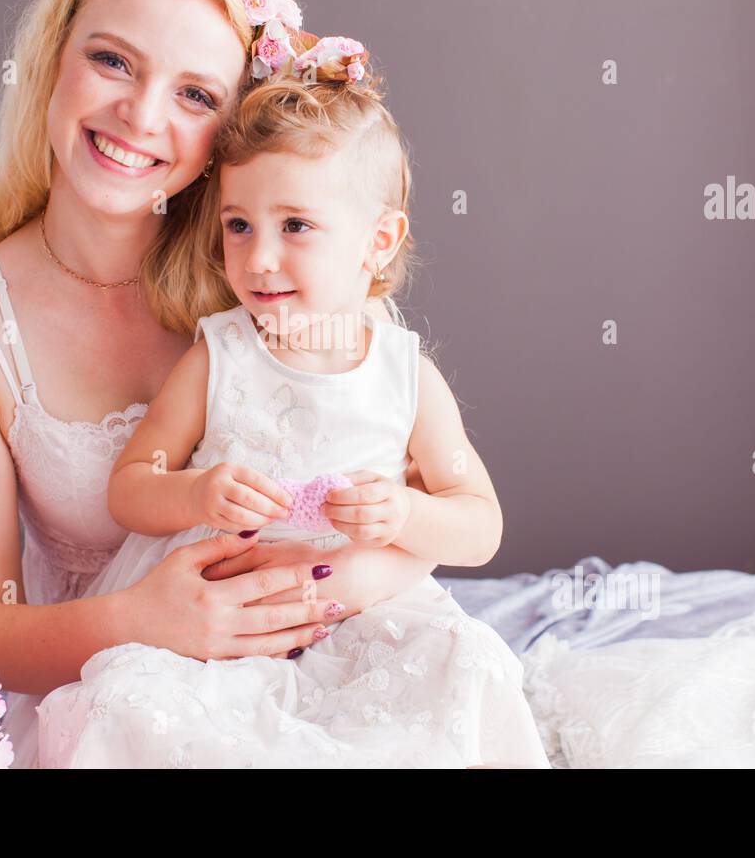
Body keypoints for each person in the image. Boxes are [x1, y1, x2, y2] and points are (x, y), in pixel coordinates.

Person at [0, 0, 441, 769]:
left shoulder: (265, 269)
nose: (141, 115)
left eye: (195, 95)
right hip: (124, 701)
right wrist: (142, 620)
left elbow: (416, 497)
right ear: (53, 59)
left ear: (230, 132)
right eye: (112, 60)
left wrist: (347, 588)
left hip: (320, 660)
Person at [35, 58, 552, 768]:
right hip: (223, 627)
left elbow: (479, 523)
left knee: (468, 665)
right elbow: (129, 487)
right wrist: (193, 489)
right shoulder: (219, 357)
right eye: (239, 225)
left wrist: (403, 513)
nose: (258, 258)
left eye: (296, 226)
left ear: (379, 240)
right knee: (134, 706)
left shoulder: (404, 377)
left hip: (362, 614)